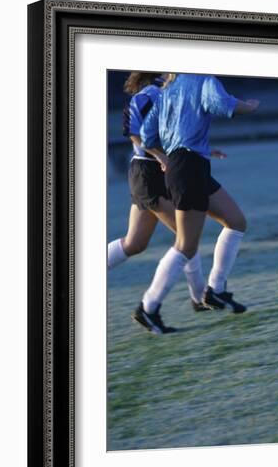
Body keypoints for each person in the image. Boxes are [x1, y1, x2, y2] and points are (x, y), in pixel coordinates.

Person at [133, 73, 260, 334]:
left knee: (236, 221)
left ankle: (216, 290)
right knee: (185, 245)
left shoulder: (169, 88)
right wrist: (250, 105)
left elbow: (147, 135)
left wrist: (171, 154)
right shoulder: (202, 79)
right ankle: (148, 308)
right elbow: (225, 105)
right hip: (188, 168)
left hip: (192, 165)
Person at [107, 72, 209, 311]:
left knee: (135, 243)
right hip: (148, 174)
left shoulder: (168, 92)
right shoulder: (149, 94)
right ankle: (199, 298)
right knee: (187, 238)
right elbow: (134, 131)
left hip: (157, 173)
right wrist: (161, 156)